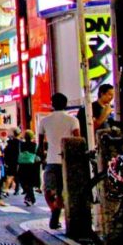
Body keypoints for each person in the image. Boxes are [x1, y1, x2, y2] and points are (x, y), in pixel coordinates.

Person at [37, 92, 81, 230]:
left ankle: (54, 210)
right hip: (67, 161)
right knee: (63, 190)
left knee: (48, 189)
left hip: (51, 159)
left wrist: (42, 158)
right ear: (66, 104)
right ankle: (57, 211)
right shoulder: (72, 120)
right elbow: (77, 140)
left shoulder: (44, 121)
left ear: (52, 104)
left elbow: (39, 145)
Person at [17, 130, 41, 206]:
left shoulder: (21, 145)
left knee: (23, 182)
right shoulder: (35, 145)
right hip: (32, 165)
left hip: (22, 164)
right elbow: (38, 155)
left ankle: (29, 197)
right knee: (30, 183)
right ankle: (30, 198)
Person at [3, 129, 22, 196]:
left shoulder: (9, 143)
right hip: (17, 161)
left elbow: (5, 152)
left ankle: (6, 190)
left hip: (10, 161)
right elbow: (20, 153)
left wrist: (6, 161)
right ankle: (16, 189)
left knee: (10, 176)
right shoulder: (20, 143)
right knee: (16, 176)